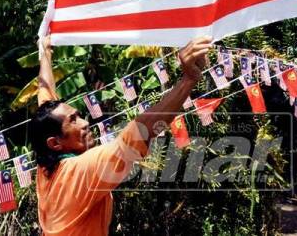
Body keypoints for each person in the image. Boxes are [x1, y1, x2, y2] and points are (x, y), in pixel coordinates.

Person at [29, 36, 212, 236]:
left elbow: (45, 97)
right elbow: (135, 134)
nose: (85, 122)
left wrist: (45, 53)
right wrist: (188, 80)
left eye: (79, 116)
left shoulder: (46, 165)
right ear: (55, 143)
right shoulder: (79, 171)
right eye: (73, 120)